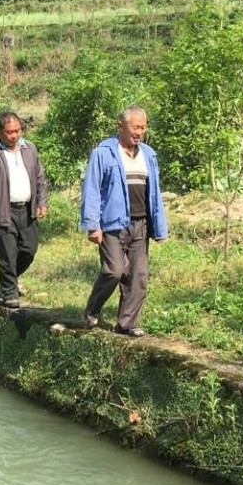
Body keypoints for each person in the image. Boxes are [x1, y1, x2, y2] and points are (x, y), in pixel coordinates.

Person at [78, 106, 167, 336]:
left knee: (137, 276)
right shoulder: (104, 152)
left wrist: (159, 226)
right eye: (135, 127)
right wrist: (93, 225)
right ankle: (92, 309)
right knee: (114, 270)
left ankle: (127, 324)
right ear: (121, 126)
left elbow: (155, 192)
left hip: (141, 223)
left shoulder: (148, 154)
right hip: (112, 224)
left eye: (143, 127)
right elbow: (93, 189)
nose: (139, 132)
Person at [0, 111, 49, 309]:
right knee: (7, 253)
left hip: (27, 209)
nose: (14, 136)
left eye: (17, 131)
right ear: (0, 132)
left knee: (29, 250)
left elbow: (40, 178)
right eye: (9, 132)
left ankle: (7, 276)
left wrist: (42, 201)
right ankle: (10, 293)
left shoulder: (30, 149)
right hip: (3, 211)